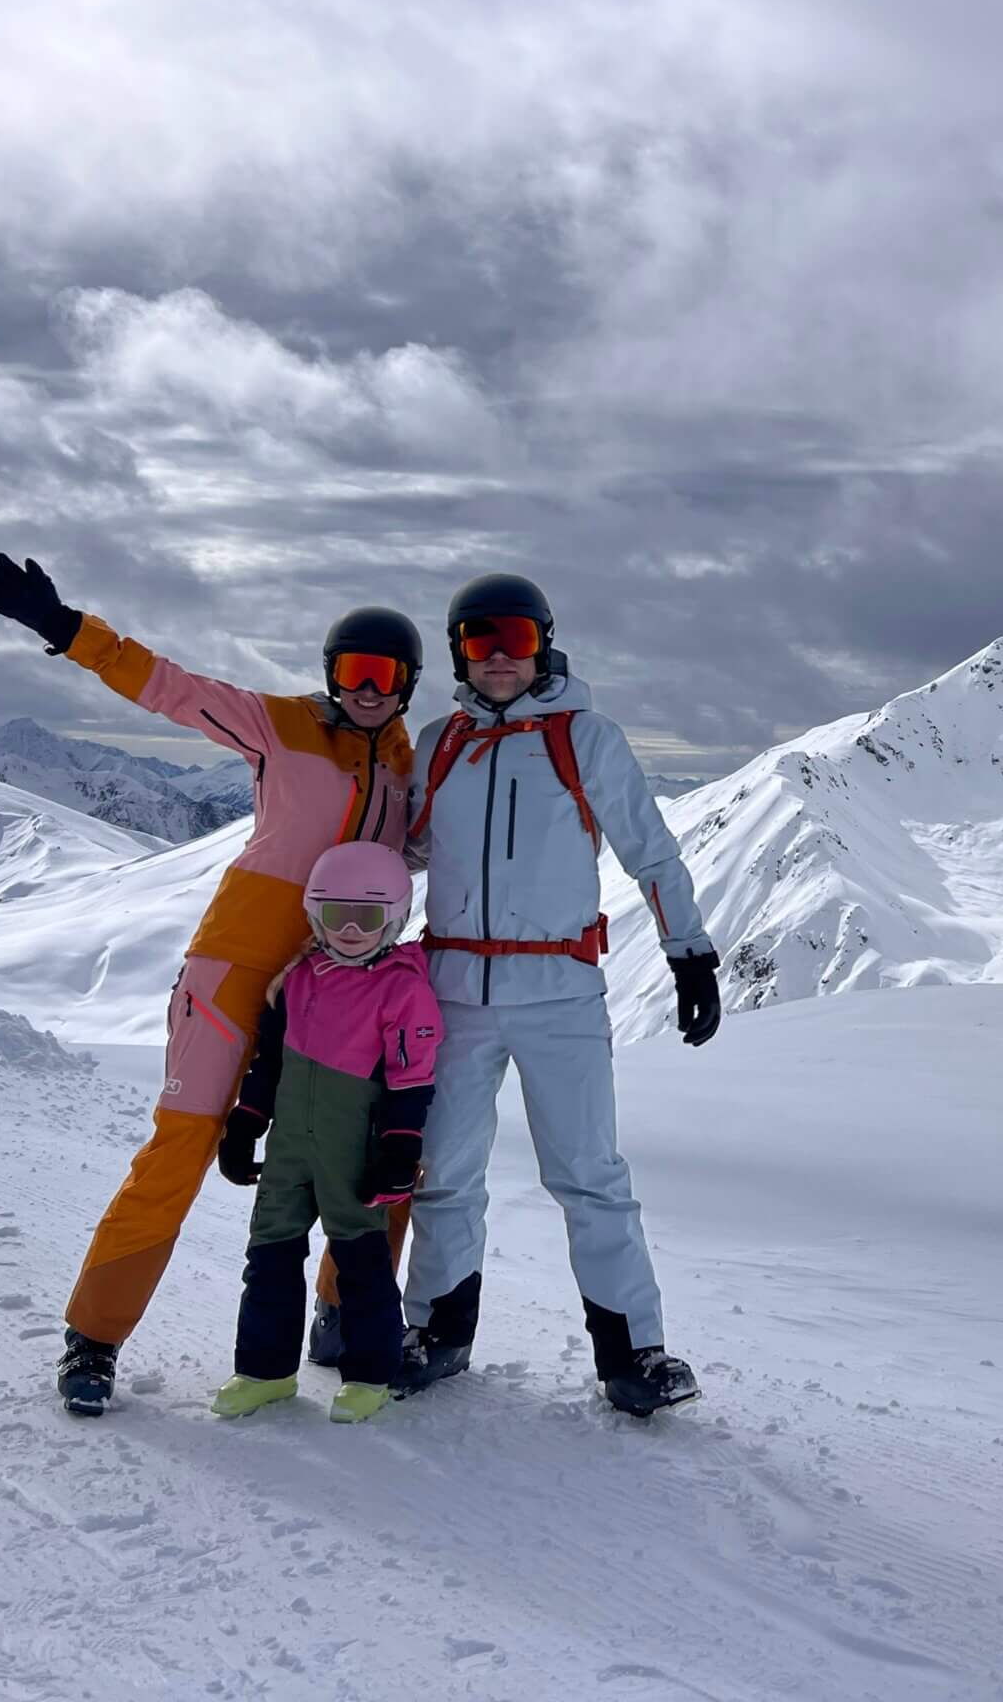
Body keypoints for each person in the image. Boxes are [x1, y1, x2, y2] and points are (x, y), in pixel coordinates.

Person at [0, 552, 420, 1416]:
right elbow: (170, 688)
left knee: (374, 1155)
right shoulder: (276, 724)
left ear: (408, 684)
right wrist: (67, 630)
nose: (369, 687)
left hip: (341, 988)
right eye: (354, 671)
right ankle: (93, 1340)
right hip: (235, 965)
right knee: (183, 1143)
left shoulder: (407, 777)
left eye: (386, 674)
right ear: (331, 677)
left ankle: (343, 1314)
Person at [396, 571, 724, 1416]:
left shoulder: (587, 738)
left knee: (589, 1175)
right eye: (479, 639)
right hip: (455, 992)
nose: (500, 656)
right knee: (445, 1175)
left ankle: (632, 1356)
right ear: (458, 651)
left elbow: (649, 851)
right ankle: (437, 1335)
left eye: (516, 636)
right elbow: (408, 851)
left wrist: (689, 953)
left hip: (560, 993)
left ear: (545, 642)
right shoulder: (439, 743)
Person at [211, 840, 439, 1424]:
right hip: (290, 1150)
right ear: (317, 914)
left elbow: (412, 1078)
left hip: (351, 1151)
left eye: (368, 917)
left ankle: (370, 1375)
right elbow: (269, 1063)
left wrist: (399, 1148)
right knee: (269, 1256)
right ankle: (264, 1371)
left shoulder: (402, 987)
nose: (353, 930)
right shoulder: (298, 979)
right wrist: (245, 1123)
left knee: (361, 1265)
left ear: (394, 917)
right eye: (338, 915)